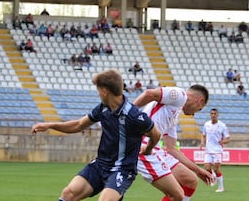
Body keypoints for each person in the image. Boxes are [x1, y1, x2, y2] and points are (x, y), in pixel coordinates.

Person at [31, 69, 161, 201]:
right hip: (100, 165)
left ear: (105, 91)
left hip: (122, 169)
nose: (98, 93)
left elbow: (155, 134)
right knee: (68, 193)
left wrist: (149, 149)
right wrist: (50, 125)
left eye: (98, 90)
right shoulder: (103, 109)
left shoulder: (134, 115)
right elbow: (79, 125)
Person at [134, 85, 213, 201]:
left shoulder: (175, 114)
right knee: (177, 195)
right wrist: (126, 112)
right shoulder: (180, 95)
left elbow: (172, 149)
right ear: (199, 100)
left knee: (190, 180)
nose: (194, 114)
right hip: (141, 146)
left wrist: (198, 170)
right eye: (199, 109)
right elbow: (149, 94)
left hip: (154, 148)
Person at [200, 108, 230, 193]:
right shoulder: (206, 124)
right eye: (212, 113)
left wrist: (222, 141)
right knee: (207, 168)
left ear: (217, 115)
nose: (213, 115)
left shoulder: (222, 126)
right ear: (210, 115)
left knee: (216, 170)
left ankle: (221, 187)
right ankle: (213, 177)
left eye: (215, 114)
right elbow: (203, 135)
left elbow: (228, 139)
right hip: (208, 150)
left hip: (217, 151)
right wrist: (202, 143)